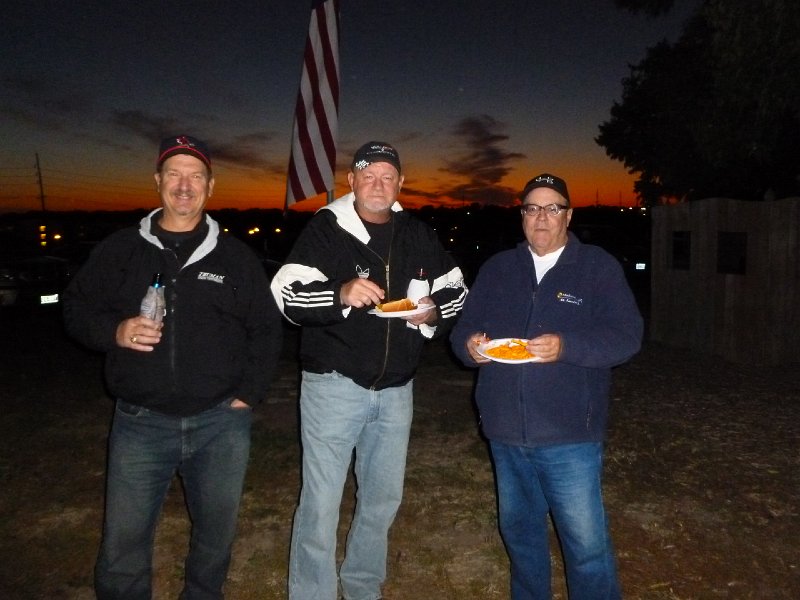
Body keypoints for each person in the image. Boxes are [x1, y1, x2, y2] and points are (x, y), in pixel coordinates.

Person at [63, 135, 284, 599]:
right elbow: (76, 308)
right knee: (123, 542)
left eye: (195, 176)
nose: (185, 185)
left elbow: (266, 329)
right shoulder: (121, 249)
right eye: (175, 174)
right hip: (140, 422)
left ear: (210, 186)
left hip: (220, 424)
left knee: (215, 537)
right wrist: (115, 331)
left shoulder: (235, 256)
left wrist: (249, 393)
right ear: (158, 181)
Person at [270, 141, 467, 600]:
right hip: (333, 386)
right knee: (321, 503)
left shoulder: (417, 233)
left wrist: (433, 311)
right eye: (368, 175)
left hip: (397, 391)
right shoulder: (326, 229)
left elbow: (458, 290)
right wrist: (339, 293)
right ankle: (312, 593)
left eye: (387, 176)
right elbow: (287, 296)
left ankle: (362, 586)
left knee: (381, 499)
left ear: (400, 184)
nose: (378, 184)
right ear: (352, 181)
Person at [450, 173, 643, 599]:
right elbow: (463, 330)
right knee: (521, 539)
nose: (541, 217)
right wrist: (470, 347)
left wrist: (567, 346)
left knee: (587, 548)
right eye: (532, 208)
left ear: (568, 216)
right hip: (505, 432)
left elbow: (627, 336)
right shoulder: (498, 269)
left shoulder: (596, 267)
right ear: (522, 216)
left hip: (569, 435)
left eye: (552, 208)